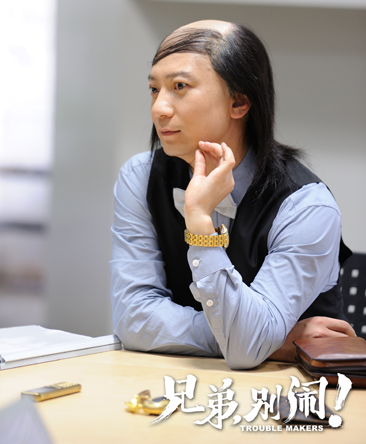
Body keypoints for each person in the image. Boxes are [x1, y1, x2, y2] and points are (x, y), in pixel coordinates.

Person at [110, 20, 355, 369]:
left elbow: (246, 350)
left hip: (284, 401)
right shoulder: (139, 176)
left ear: (239, 102)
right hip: (176, 384)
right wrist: (271, 340)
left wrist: (199, 223)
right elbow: (132, 318)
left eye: (180, 86)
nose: (159, 109)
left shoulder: (306, 206)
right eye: (154, 89)